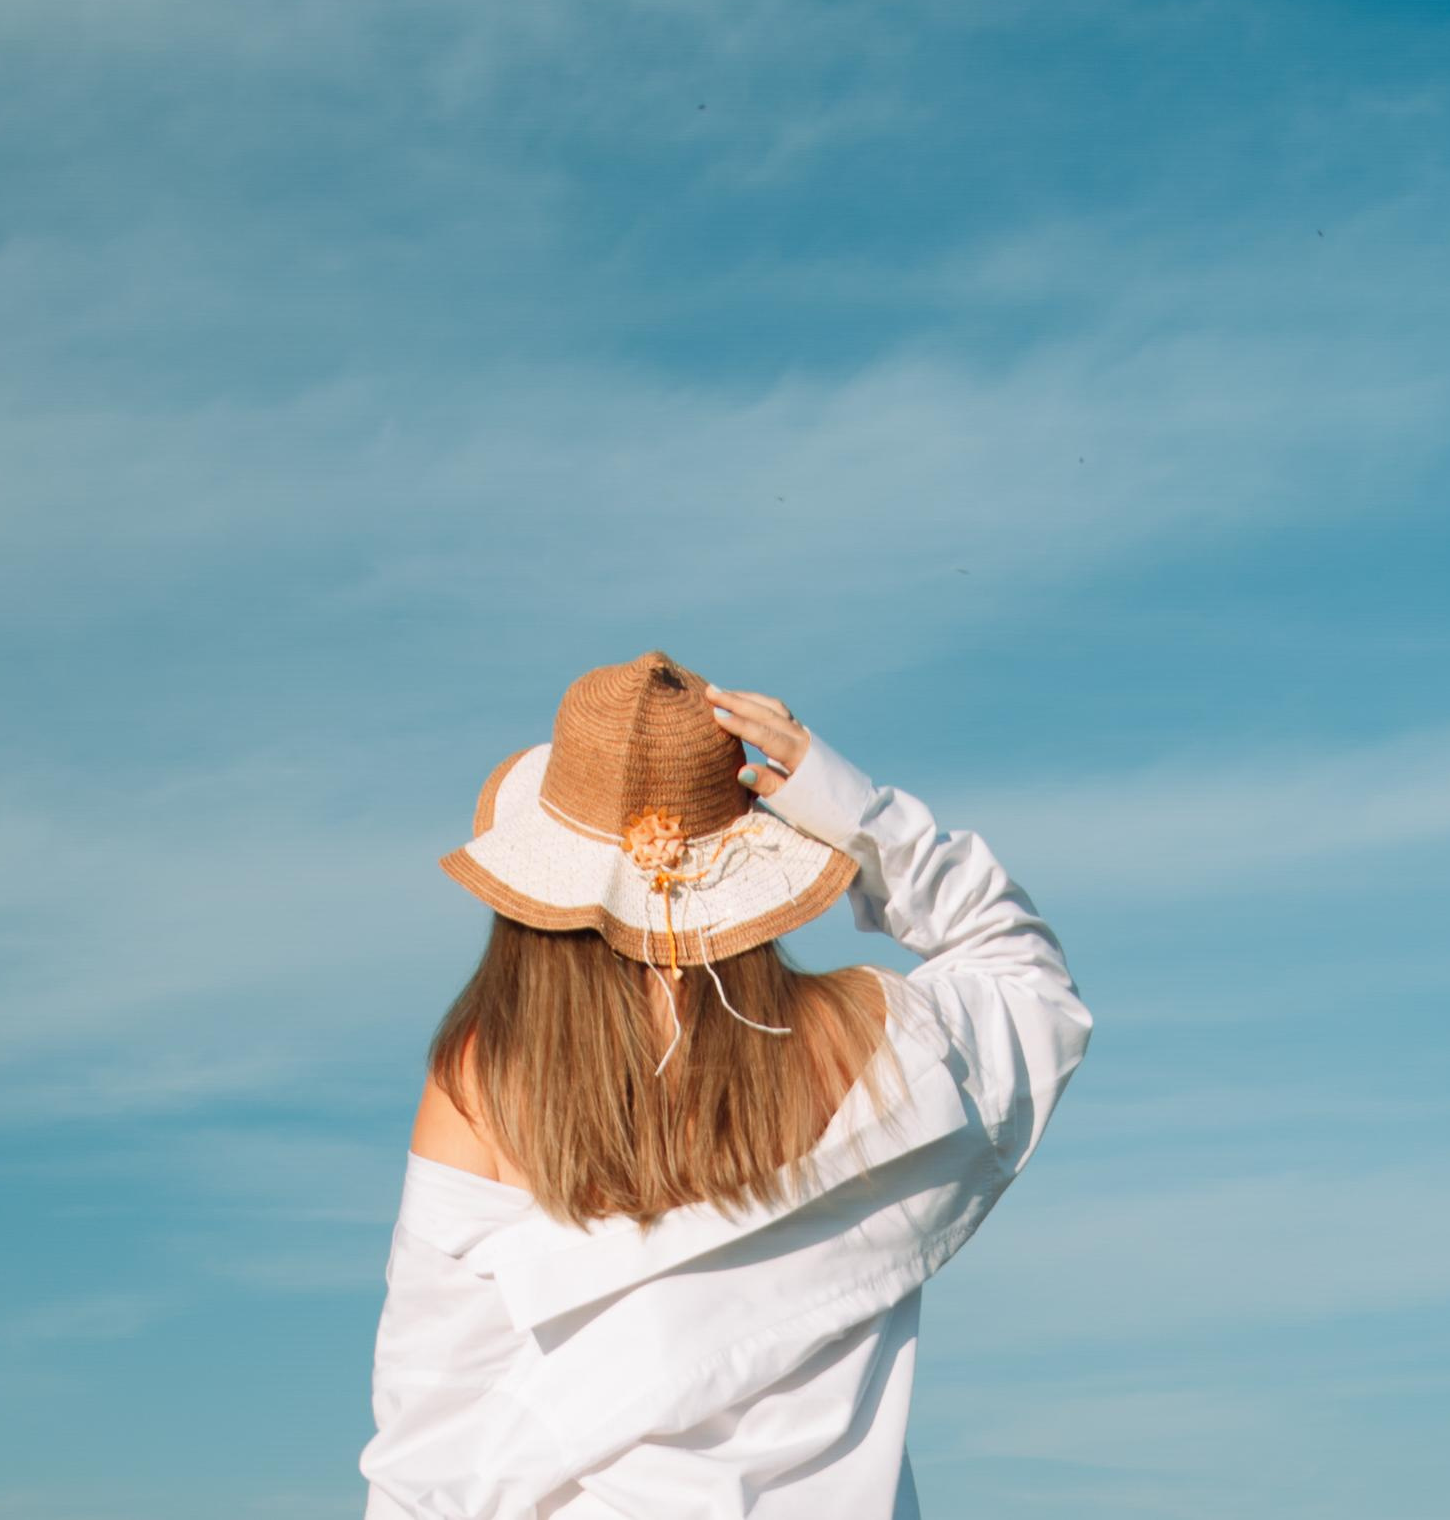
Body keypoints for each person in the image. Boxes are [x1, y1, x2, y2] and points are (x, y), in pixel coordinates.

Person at [358, 649, 1095, 1520]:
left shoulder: (486, 1077)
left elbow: (427, 1415)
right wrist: (850, 810)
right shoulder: (873, 1040)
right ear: (756, 854)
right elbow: (1023, 969)